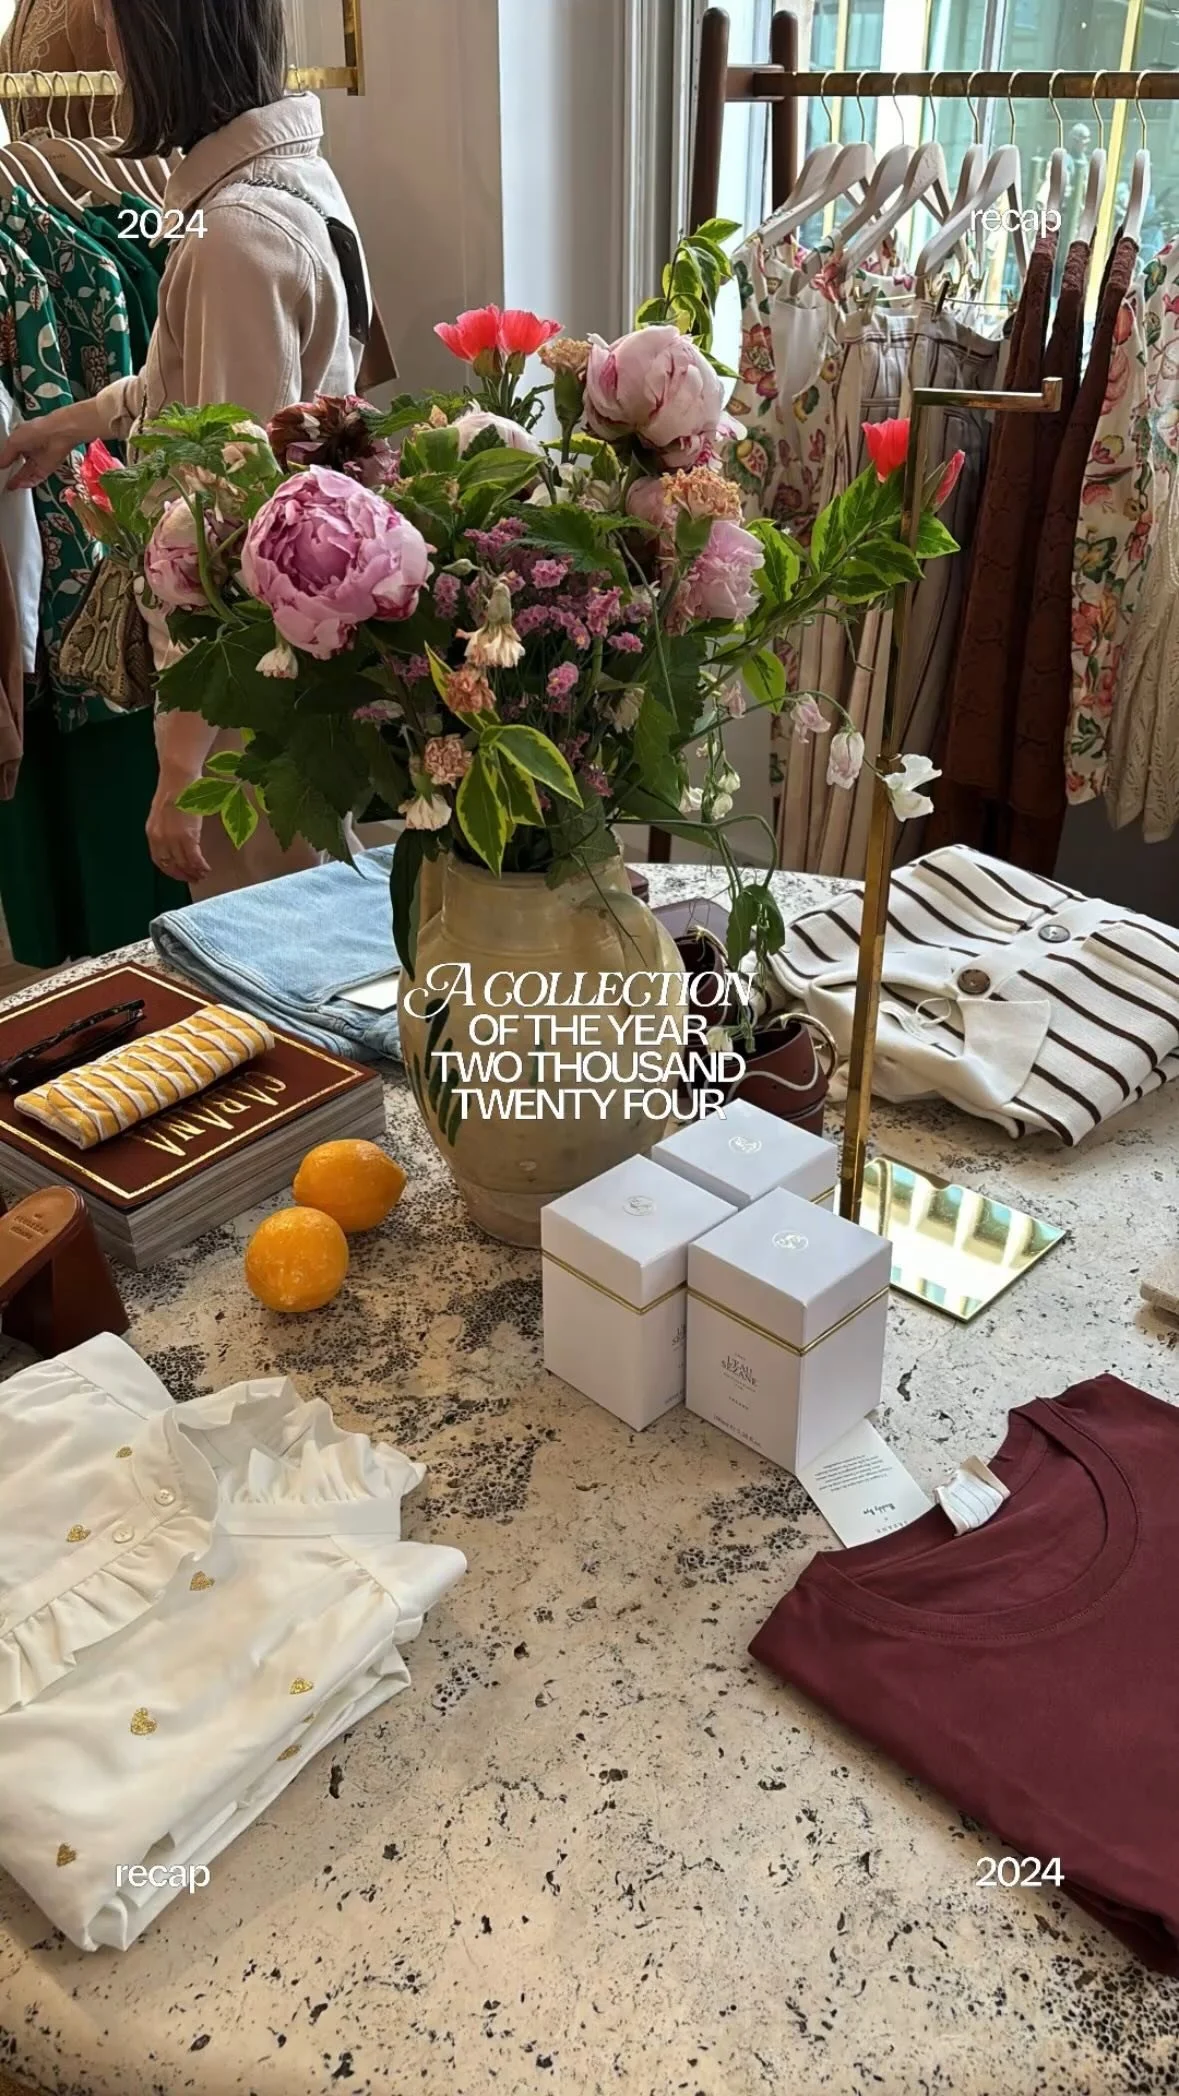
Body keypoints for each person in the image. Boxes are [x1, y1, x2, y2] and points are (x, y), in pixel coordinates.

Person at [0, 0, 386, 897]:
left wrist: (181, 764)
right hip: (294, 636)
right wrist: (65, 426)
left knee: (265, 929)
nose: (105, 51)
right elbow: (196, 395)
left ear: (160, 39)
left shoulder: (234, 238)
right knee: (304, 900)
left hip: (243, 681)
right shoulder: (292, 178)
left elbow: (223, 523)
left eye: (112, 27)